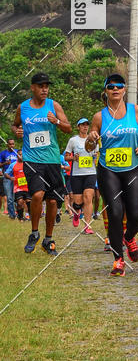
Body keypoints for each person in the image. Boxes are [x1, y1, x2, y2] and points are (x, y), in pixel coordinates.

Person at [86, 73, 138, 277]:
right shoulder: (99, 117)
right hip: (108, 170)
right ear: (106, 91)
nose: (115, 89)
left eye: (119, 86)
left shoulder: (135, 111)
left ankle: (129, 237)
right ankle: (118, 259)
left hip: (133, 168)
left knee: (136, 215)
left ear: (125, 90)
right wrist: (91, 138)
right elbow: (89, 145)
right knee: (115, 213)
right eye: (111, 87)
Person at [12, 72, 72, 256]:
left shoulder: (53, 105)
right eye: (41, 86)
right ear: (33, 88)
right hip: (32, 160)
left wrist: (57, 121)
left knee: (53, 200)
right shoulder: (23, 108)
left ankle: (48, 239)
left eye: (47, 86)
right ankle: (34, 232)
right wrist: (17, 131)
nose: (44, 89)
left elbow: (68, 128)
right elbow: (14, 125)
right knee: (37, 195)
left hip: (52, 159)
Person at [65, 118, 97, 234]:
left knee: (88, 197)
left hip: (90, 173)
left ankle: (87, 225)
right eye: (82, 125)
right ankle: (76, 212)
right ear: (78, 127)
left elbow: (97, 154)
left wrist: (96, 157)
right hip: (77, 174)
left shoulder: (93, 140)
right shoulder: (73, 140)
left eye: (87, 125)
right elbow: (66, 157)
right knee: (78, 201)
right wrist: (74, 158)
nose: (85, 127)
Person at [5, 149, 29, 221]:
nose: (21, 156)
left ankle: (30, 216)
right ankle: (20, 218)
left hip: (27, 187)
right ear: (17, 155)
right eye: (19, 154)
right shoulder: (13, 165)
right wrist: (10, 178)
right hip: (18, 188)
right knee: (20, 202)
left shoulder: (27, 164)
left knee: (29, 202)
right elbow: (6, 173)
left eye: (22, 154)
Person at [0, 138, 19, 219]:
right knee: (9, 197)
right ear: (7, 144)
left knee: (17, 197)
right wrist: (5, 163)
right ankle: (12, 215)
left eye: (13, 144)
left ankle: (19, 214)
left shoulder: (17, 152)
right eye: (10, 144)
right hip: (7, 178)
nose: (12, 145)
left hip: (16, 178)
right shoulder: (3, 153)